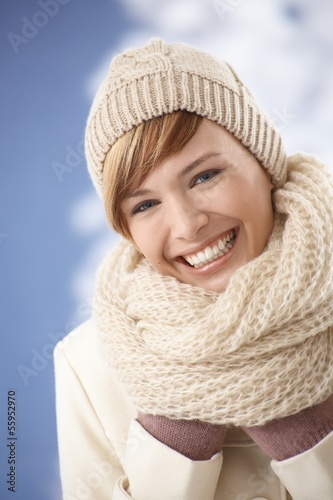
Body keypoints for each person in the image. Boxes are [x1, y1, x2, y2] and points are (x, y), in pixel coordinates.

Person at [54, 39, 333, 500]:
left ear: (264, 162)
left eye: (205, 176)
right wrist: (173, 442)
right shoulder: (86, 367)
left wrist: (312, 442)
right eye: (145, 204)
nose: (187, 225)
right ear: (126, 229)